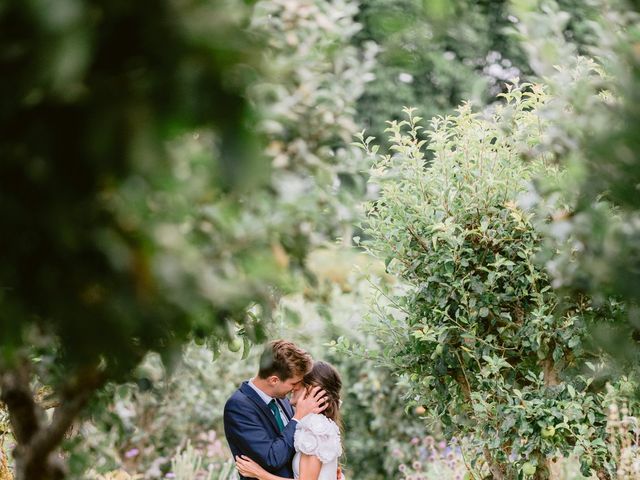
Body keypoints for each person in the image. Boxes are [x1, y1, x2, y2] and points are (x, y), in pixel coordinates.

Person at [224, 340, 328, 479]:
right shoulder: (239, 406)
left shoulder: (282, 398)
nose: (297, 388)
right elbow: (271, 459)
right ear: (274, 380)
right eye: (294, 383)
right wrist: (297, 418)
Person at [234, 361, 344, 480]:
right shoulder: (318, 423)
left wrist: (260, 474)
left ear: (311, 390)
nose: (293, 387)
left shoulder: (315, 427)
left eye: (298, 383)